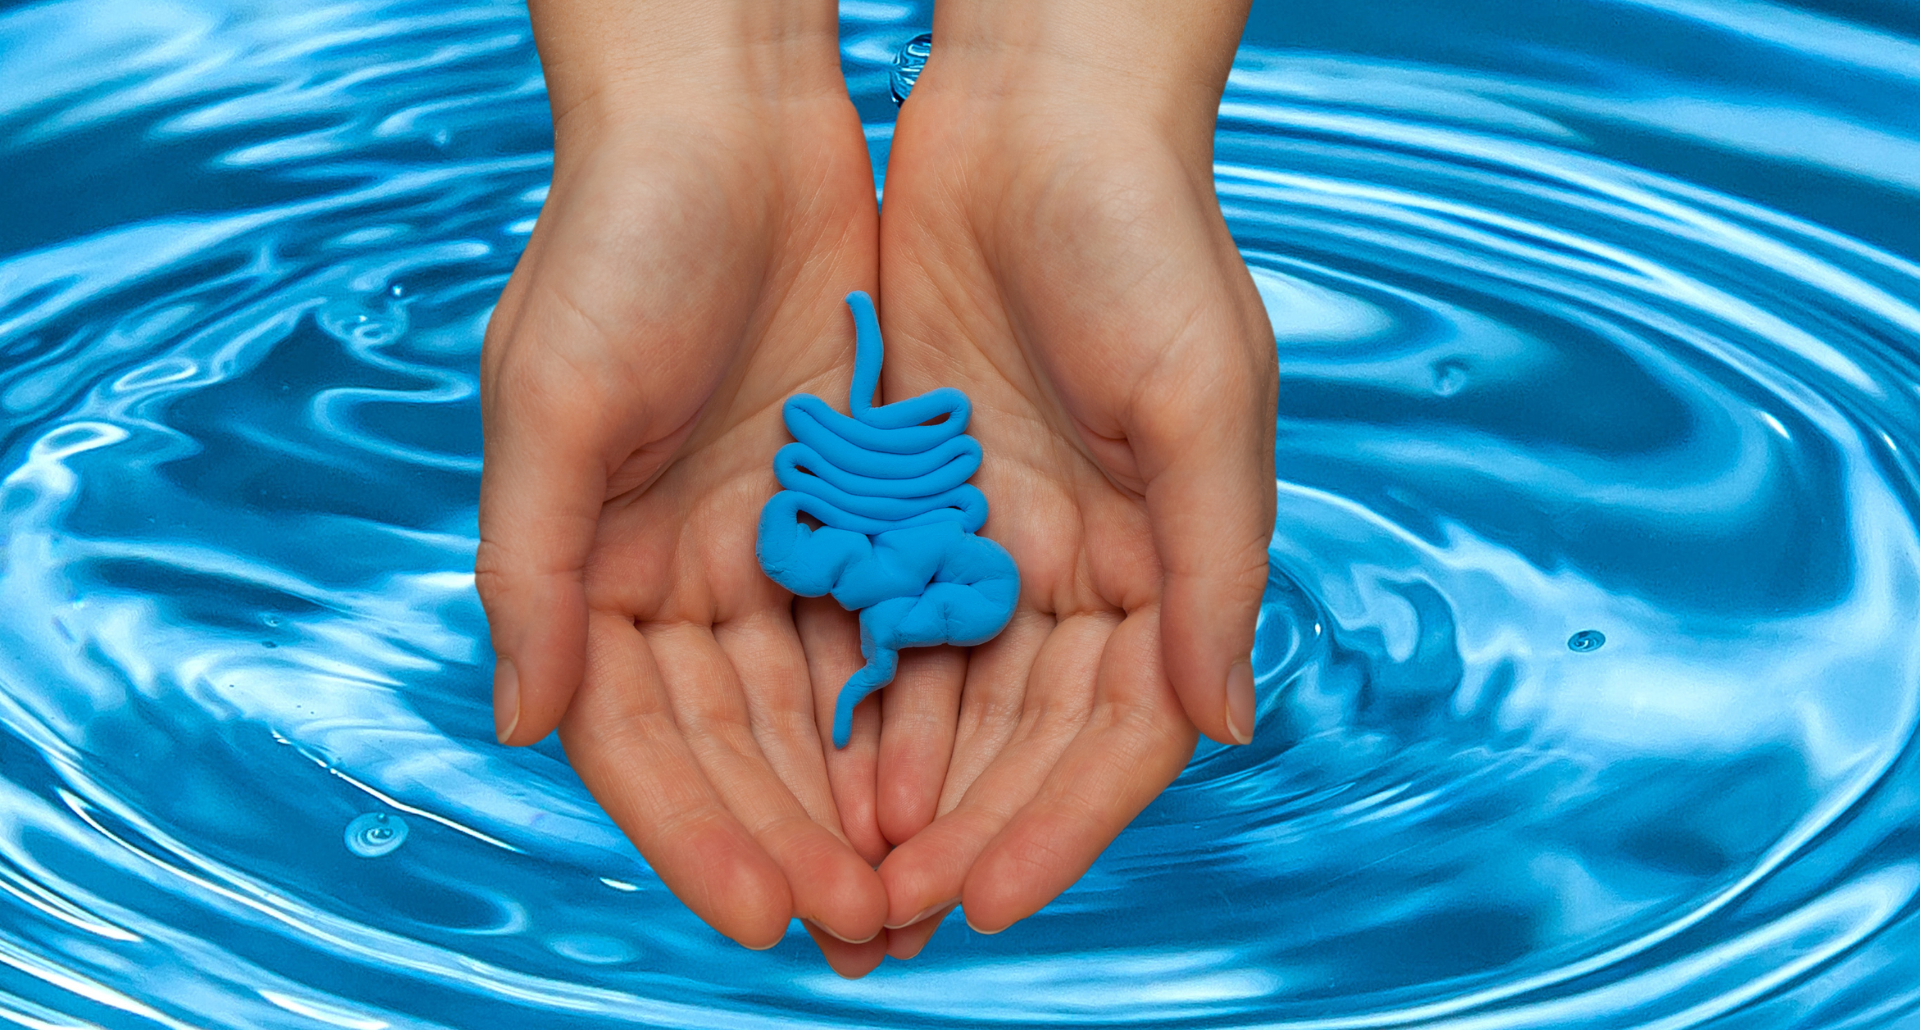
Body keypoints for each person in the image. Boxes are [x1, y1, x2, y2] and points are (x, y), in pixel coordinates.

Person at [474, 0, 1277, 979]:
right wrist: (686, 99)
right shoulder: (887, 541)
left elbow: (939, 530)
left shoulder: (906, 547)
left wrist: (1075, 93)